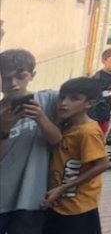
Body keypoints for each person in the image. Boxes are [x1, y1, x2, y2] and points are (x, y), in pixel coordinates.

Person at [0, 49, 63, 234]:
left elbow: (58, 142)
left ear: (32, 75)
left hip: (32, 196)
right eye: (6, 78)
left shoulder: (49, 99)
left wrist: (40, 117)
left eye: (20, 77)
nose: (13, 84)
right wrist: (2, 129)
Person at [41, 77, 109, 234]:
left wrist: (64, 187)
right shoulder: (65, 125)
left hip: (78, 207)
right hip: (59, 205)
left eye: (74, 99)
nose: (64, 103)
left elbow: (102, 164)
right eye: (62, 97)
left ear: (90, 103)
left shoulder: (88, 131)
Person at [87, 50, 111, 135]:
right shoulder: (98, 77)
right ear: (104, 61)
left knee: (103, 134)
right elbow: (95, 95)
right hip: (97, 114)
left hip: (106, 112)